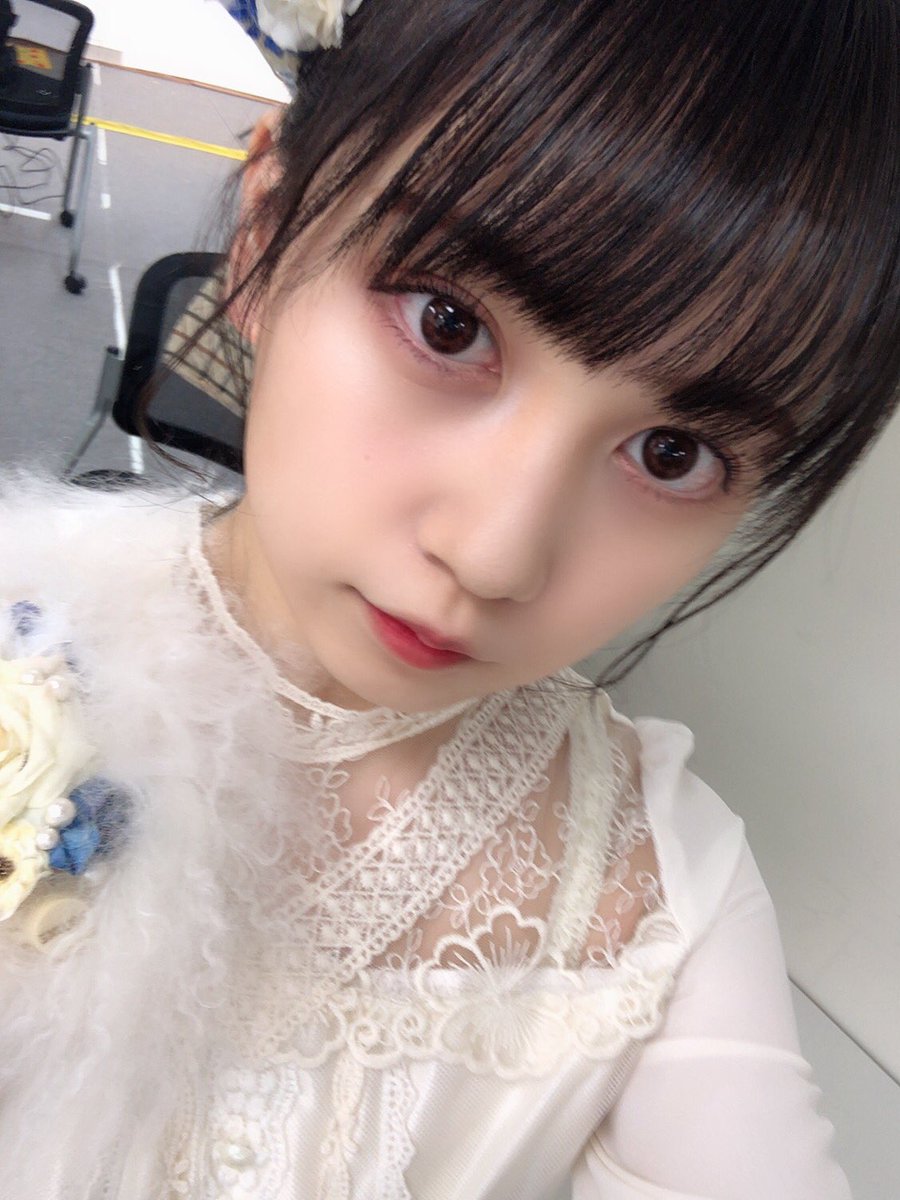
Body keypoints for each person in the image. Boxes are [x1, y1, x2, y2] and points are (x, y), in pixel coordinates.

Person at [1, 2, 898, 1196]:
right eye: (449, 323)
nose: (496, 558)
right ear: (264, 236)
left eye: (674, 454)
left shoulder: (664, 888)